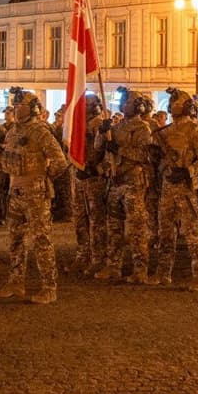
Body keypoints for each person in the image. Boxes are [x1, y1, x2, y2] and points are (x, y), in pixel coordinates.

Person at [0, 87, 67, 304]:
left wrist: (43, 178)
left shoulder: (40, 132)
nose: (17, 110)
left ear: (33, 109)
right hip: (15, 191)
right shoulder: (13, 131)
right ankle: (16, 281)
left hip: (35, 195)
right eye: (15, 106)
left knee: (41, 241)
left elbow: (60, 161)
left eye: (21, 106)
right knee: (15, 240)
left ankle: (48, 286)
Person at [151, 87, 198, 291]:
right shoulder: (165, 131)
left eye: (176, 101)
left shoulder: (196, 130)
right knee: (166, 232)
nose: (171, 105)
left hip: (187, 188)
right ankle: (164, 272)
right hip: (168, 186)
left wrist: (189, 171)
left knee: (192, 233)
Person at [96, 88, 153, 284]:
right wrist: (102, 133)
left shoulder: (143, 128)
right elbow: (99, 148)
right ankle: (114, 265)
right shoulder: (118, 127)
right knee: (114, 228)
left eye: (127, 102)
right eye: (123, 102)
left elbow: (144, 155)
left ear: (138, 106)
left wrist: (120, 149)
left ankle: (140, 268)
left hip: (133, 182)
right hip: (116, 182)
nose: (123, 105)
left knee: (136, 228)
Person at [71, 94, 109, 276]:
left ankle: (98, 258)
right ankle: (82, 255)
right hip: (79, 176)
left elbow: (108, 153)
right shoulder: (78, 124)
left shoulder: (99, 124)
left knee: (96, 220)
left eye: (86, 104)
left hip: (94, 178)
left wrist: (98, 169)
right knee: (80, 219)